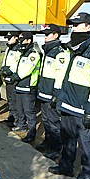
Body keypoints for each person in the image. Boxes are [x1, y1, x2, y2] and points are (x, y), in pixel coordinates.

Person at [48, 12, 90, 179]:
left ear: (89, 27)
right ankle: (66, 166)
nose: (73, 28)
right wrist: (57, 95)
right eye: (72, 25)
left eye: (77, 24)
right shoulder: (68, 49)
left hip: (82, 109)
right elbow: (61, 73)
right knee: (67, 138)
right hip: (66, 104)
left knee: (87, 145)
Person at [35, 24, 68, 159]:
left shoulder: (59, 52)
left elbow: (60, 75)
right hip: (44, 92)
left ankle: (55, 148)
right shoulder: (48, 50)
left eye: (47, 34)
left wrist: (56, 94)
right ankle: (48, 143)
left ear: (55, 35)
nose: (45, 37)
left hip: (51, 94)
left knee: (53, 122)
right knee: (46, 120)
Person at [6, 31, 41, 143]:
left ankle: (31, 133)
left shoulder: (33, 54)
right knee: (19, 108)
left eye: (22, 40)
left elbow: (27, 69)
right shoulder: (21, 52)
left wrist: (16, 76)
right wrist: (8, 70)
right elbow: (15, 65)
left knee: (29, 111)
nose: (20, 42)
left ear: (29, 40)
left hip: (28, 86)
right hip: (19, 85)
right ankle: (21, 125)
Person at [0, 32, 22, 127]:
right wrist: (3, 68)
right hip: (7, 78)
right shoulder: (9, 48)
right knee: (10, 99)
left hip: (13, 78)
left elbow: (17, 63)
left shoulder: (19, 49)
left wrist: (9, 70)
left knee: (15, 100)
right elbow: (5, 61)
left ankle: (17, 121)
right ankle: (11, 116)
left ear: (16, 38)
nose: (8, 40)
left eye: (10, 38)